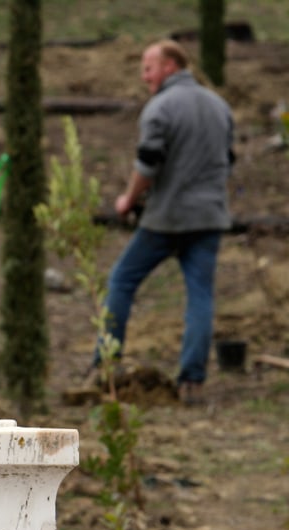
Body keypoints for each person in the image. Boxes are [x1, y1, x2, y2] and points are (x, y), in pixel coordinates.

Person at [92, 39, 234, 404]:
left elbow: (148, 165)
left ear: (170, 66)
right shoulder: (220, 106)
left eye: (148, 68)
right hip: (209, 218)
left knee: (122, 280)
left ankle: (104, 366)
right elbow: (227, 160)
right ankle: (192, 382)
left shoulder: (161, 108)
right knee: (199, 295)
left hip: (167, 219)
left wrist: (128, 199)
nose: (144, 77)